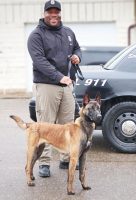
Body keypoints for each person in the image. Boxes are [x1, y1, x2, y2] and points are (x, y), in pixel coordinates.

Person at [27, 0, 81, 177]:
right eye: (50, 12)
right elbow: (39, 61)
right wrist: (59, 77)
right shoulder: (36, 35)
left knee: (68, 124)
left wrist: (76, 57)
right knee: (46, 125)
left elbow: (78, 49)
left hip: (67, 85)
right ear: (44, 14)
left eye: (56, 11)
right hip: (47, 85)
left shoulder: (68, 32)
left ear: (60, 13)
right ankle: (44, 163)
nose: (53, 15)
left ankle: (66, 159)